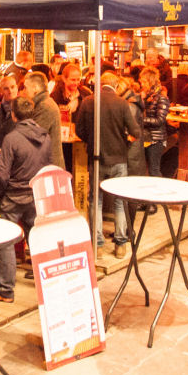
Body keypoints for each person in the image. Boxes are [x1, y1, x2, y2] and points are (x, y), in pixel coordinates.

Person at [75, 69, 146, 258]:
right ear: (115, 86)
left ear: (98, 84)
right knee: (120, 202)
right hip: (119, 159)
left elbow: (79, 130)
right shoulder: (122, 103)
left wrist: (92, 139)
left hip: (96, 158)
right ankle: (120, 245)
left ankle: (97, 245)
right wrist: (125, 137)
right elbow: (136, 132)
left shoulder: (88, 102)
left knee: (95, 202)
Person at [0, 96, 52, 302]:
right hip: (35, 193)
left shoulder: (11, 138)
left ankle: (5, 290)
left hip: (14, 196)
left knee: (6, 241)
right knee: (37, 237)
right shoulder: (45, 137)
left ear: (14, 115)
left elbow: (2, 173)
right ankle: (46, 282)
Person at [135, 67, 171, 177]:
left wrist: (141, 121)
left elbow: (160, 120)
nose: (142, 85)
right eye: (141, 82)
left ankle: (159, 192)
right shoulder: (146, 97)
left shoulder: (161, 98)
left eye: (144, 82)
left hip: (156, 139)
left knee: (153, 170)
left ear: (151, 81)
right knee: (145, 169)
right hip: (145, 137)